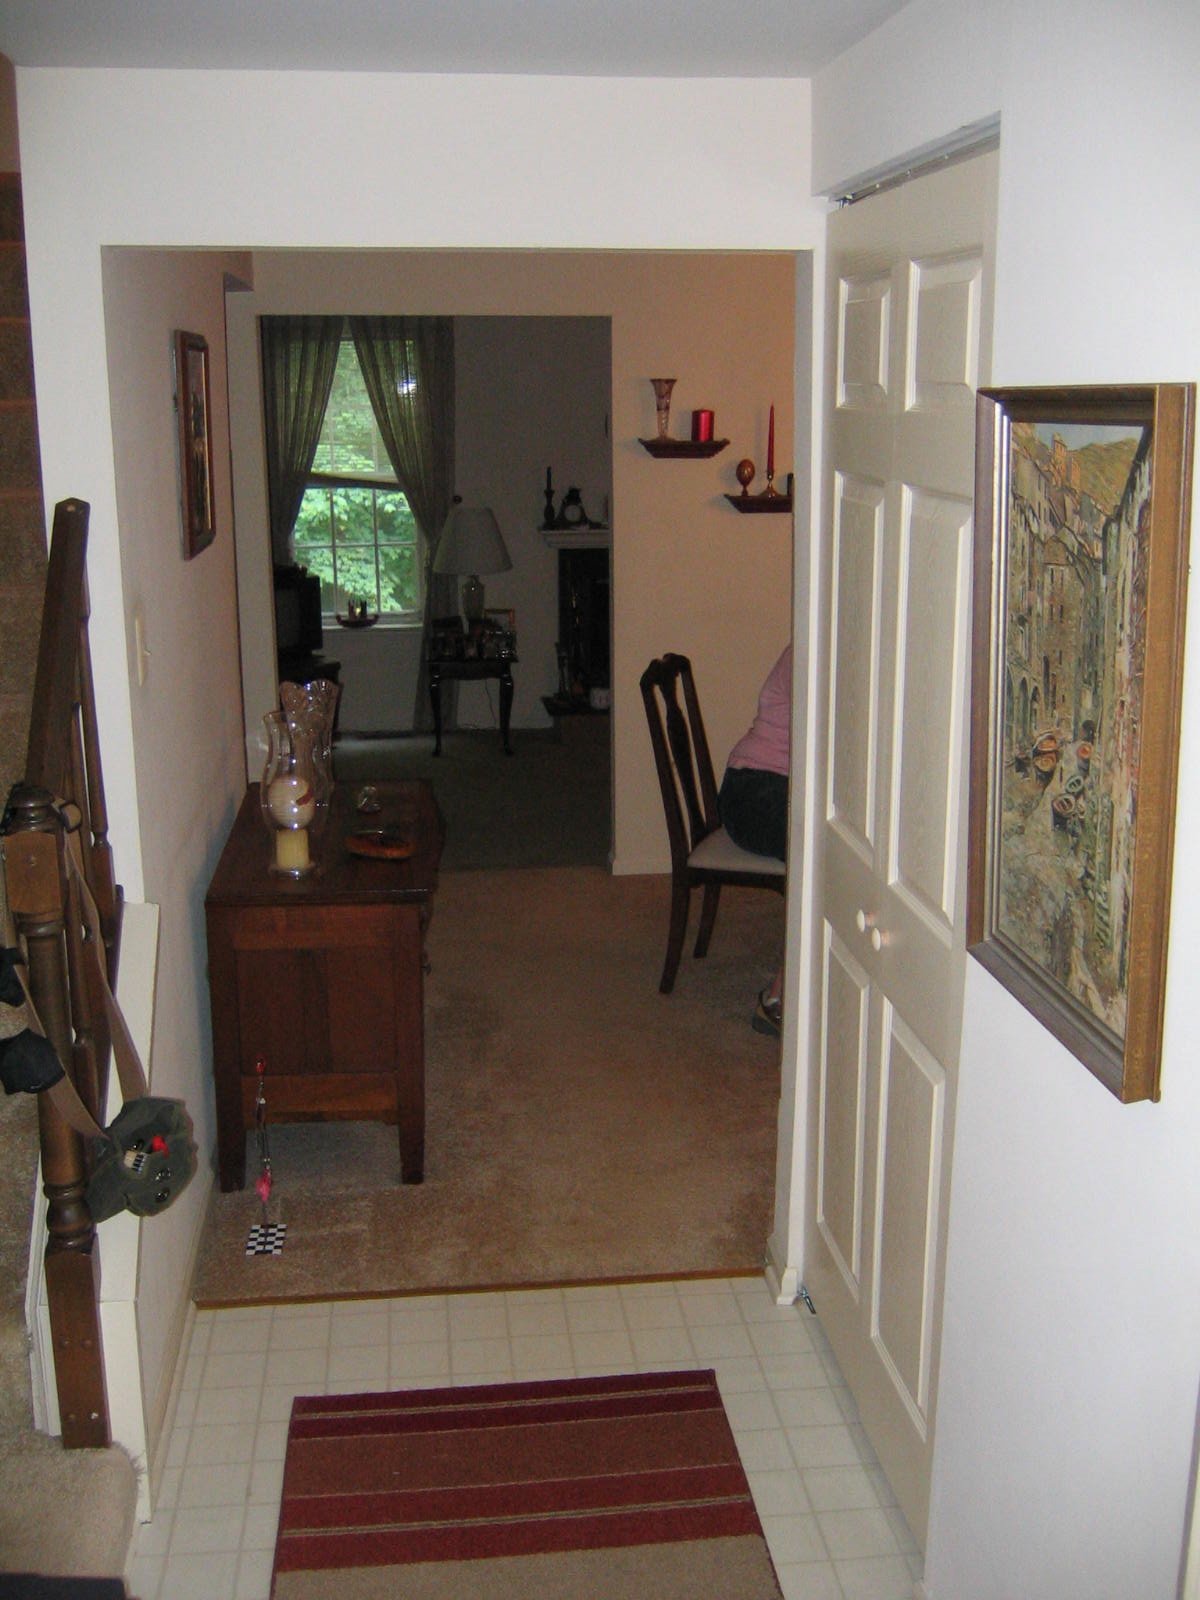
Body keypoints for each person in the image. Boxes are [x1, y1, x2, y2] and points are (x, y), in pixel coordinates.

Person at [718, 643, 791, 1036]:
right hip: (752, 791)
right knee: (820, 851)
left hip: (775, 785)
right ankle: (779, 998)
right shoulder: (811, 650)